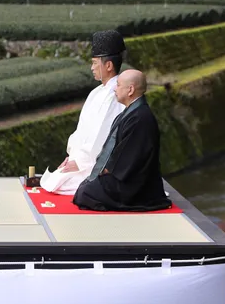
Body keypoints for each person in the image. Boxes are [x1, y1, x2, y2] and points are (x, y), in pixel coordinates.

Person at [39, 30, 126, 195]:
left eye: (94, 63)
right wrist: (72, 156)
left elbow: (102, 133)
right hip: (83, 159)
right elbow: (83, 130)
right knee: (57, 179)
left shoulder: (114, 94)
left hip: (97, 163)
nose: (91, 68)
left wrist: (81, 162)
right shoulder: (97, 92)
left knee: (64, 184)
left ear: (108, 65)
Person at [73, 70, 172, 212]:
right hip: (124, 175)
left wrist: (106, 170)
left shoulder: (141, 118)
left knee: (86, 193)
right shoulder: (131, 112)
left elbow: (129, 159)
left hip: (135, 184)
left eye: (118, 85)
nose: (114, 88)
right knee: (84, 187)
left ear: (130, 90)